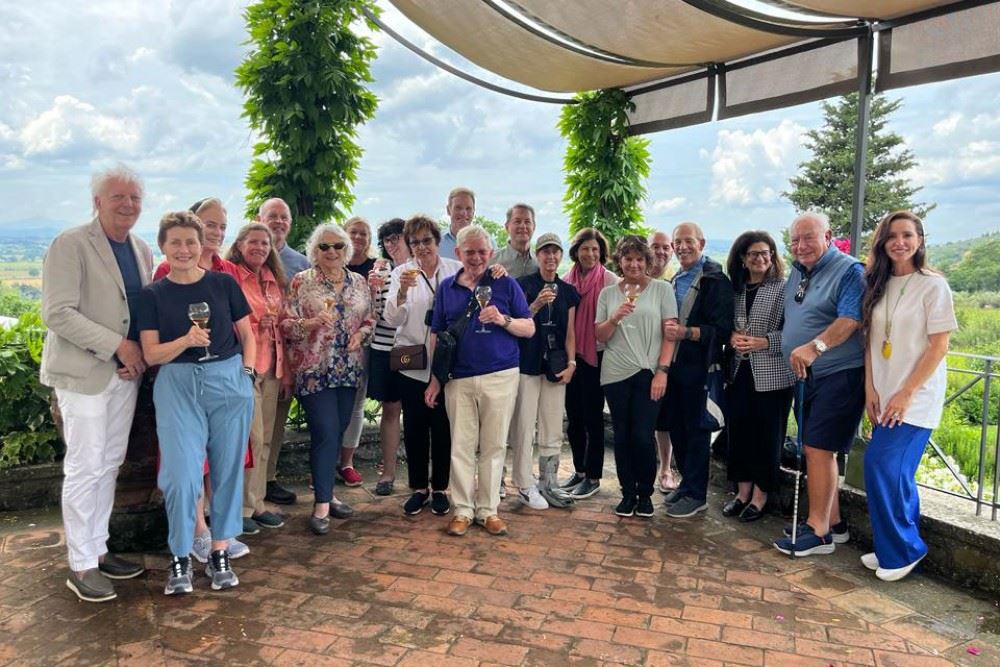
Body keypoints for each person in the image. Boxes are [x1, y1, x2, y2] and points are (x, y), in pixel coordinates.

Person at [41, 164, 152, 603]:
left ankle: (99, 548)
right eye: (118, 197)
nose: (127, 205)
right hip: (83, 375)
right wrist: (117, 346)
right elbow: (58, 312)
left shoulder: (141, 248)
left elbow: (138, 308)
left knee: (108, 463)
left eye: (135, 198)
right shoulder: (70, 244)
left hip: (124, 375)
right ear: (97, 201)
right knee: (85, 466)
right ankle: (81, 563)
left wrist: (137, 353)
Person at [138, 211, 256, 595]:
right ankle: (180, 557)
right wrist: (186, 342)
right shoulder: (153, 294)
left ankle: (219, 551)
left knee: (226, 470)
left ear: (201, 243)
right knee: (180, 476)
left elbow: (247, 334)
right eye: (176, 242)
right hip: (177, 384)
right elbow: (152, 354)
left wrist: (248, 374)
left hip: (229, 380)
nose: (185, 249)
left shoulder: (224, 283)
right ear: (164, 247)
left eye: (191, 241)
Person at [861, 211, 956, 581]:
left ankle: (904, 550)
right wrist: (870, 387)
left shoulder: (933, 286)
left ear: (919, 239)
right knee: (896, 472)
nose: (899, 242)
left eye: (907, 235)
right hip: (884, 393)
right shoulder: (878, 284)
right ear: (883, 243)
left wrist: (906, 392)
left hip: (915, 396)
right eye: (892, 236)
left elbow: (939, 345)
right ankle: (894, 544)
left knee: (881, 466)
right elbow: (870, 343)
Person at [425, 225, 534, 537]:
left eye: (482, 251)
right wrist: (435, 379)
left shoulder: (505, 283)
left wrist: (502, 319)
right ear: (458, 253)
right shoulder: (447, 288)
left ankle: (487, 510)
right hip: (458, 378)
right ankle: (462, 509)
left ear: (491, 253)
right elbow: (437, 336)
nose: (476, 257)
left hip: (500, 374)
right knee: (460, 445)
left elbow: (529, 328)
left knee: (494, 445)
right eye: (469, 251)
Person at [774, 211, 865, 557]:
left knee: (818, 448)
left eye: (808, 237)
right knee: (815, 447)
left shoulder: (849, 270)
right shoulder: (798, 271)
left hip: (838, 374)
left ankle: (819, 533)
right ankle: (834, 523)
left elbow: (851, 319)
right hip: (806, 376)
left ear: (828, 236)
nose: (801, 246)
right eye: (795, 239)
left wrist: (815, 347)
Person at [281, 223, 373, 536]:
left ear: (347, 250)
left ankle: (328, 494)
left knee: (339, 430)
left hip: (348, 368)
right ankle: (321, 503)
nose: (331, 252)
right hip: (313, 369)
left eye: (337, 246)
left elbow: (370, 319)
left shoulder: (359, 283)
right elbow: (286, 324)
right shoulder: (301, 282)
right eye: (324, 247)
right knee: (325, 430)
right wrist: (309, 323)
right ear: (314, 251)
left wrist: (361, 334)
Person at [384, 215, 462, 516]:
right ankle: (418, 487)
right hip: (410, 355)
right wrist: (402, 292)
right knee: (414, 425)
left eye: (426, 241)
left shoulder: (454, 270)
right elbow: (391, 320)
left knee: (443, 425)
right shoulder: (401, 272)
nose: (421, 247)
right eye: (414, 242)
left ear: (437, 241)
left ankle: (441, 487)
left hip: (446, 361)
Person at [595, 235, 678, 519]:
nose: (633, 264)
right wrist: (615, 317)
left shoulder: (662, 290)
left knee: (643, 435)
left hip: (648, 373)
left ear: (647, 261)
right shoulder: (608, 294)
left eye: (639, 259)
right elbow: (600, 336)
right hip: (615, 373)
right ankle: (627, 492)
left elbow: (670, 335)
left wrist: (662, 372)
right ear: (620, 261)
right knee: (622, 435)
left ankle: (645, 492)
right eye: (628, 258)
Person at [661, 222, 734, 519]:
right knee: (677, 426)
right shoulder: (677, 277)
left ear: (702, 243)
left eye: (688, 241)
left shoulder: (715, 280)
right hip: (675, 367)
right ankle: (686, 485)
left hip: (700, 369)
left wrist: (685, 333)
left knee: (697, 431)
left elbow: (722, 330)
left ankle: (697, 494)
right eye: (677, 242)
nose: (682, 247)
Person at [722, 231, 794, 522]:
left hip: (773, 374)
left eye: (766, 253)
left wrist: (766, 342)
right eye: (753, 254)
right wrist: (731, 336)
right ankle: (741, 493)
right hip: (739, 371)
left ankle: (761, 496)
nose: (760, 259)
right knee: (738, 433)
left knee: (767, 436)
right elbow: (723, 323)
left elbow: (795, 331)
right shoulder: (735, 288)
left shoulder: (784, 288)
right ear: (742, 258)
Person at [226, 223, 292, 535]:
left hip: (273, 366)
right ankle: (240, 507)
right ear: (239, 245)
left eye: (265, 243)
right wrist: (256, 322)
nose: (260, 248)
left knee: (265, 439)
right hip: (245, 366)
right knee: (249, 439)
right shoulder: (231, 276)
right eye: (253, 242)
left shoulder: (273, 278)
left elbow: (282, 321)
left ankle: (257, 502)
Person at [509, 233, 579, 510]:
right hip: (526, 363)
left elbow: (570, 333)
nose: (551, 257)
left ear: (561, 256)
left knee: (552, 425)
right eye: (545, 252)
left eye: (555, 252)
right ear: (537, 256)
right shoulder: (522, 286)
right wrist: (536, 304)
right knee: (524, 425)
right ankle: (523, 483)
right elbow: (515, 322)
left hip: (556, 365)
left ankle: (549, 482)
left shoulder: (569, 291)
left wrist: (572, 364)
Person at [561, 229, 618, 499]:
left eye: (595, 249)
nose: (590, 254)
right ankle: (579, 471)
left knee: (593, 418)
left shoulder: (609, 280)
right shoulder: (566, 280)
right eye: (585, 249)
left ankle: (593, 477)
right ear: (576, 251)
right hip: (573, 355)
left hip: (599, 355)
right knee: (574, 417)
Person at [257, 197, 307, 506]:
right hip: (253, 355)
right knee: (252, 428)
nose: (278, 221)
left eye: (283, 217)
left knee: (276, 423)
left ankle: (268, 478)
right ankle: (250, 488)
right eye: (272, 216)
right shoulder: (246, 256)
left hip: (286, 356)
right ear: (259, 218)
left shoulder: (300, 263)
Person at [367, 218, 410, 496]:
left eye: (398, 238)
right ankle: (388, 473)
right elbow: (376, 315)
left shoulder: (418, 272)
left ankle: (424, 473)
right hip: (384, 348)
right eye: (387, 240)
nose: (393, 244)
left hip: (412, 348)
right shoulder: (380, 273)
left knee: (420, 411)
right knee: (391, 410)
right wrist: (372, 290)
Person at [338, 216, 377, 488]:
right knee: (332, 406)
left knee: (356, 405)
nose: (359, 237)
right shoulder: (330, 262)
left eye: (364, 233)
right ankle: (327, 461)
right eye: (354, 232)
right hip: (327, 348)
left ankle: (347, 463)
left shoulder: (376, 268)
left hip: (363, 344)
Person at [648, 229, 678, 493]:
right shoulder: (636, 280)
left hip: (667, 361)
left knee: (665, 419)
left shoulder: (677, 280)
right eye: (655, 246)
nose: (660, 252)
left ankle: (666, 468)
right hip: (637, 359)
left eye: (666, 247)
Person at [154, 198, 239, 281]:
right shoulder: (167, 269)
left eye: (222, 227)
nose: (218, 233)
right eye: (210, 225)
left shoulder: (231, 270)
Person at [438, 187, 496, 258]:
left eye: (468, 208)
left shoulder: (489, 243)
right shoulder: (436, 242)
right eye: (458, 208)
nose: (463, 213)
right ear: (448, 210)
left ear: (473, 211)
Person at [490, 203, 538, 278]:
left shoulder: (539, 262)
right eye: (517, 221)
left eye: (527, 222)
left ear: (534, 227)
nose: (523, 226)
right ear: (507, 226)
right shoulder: (492, 260)